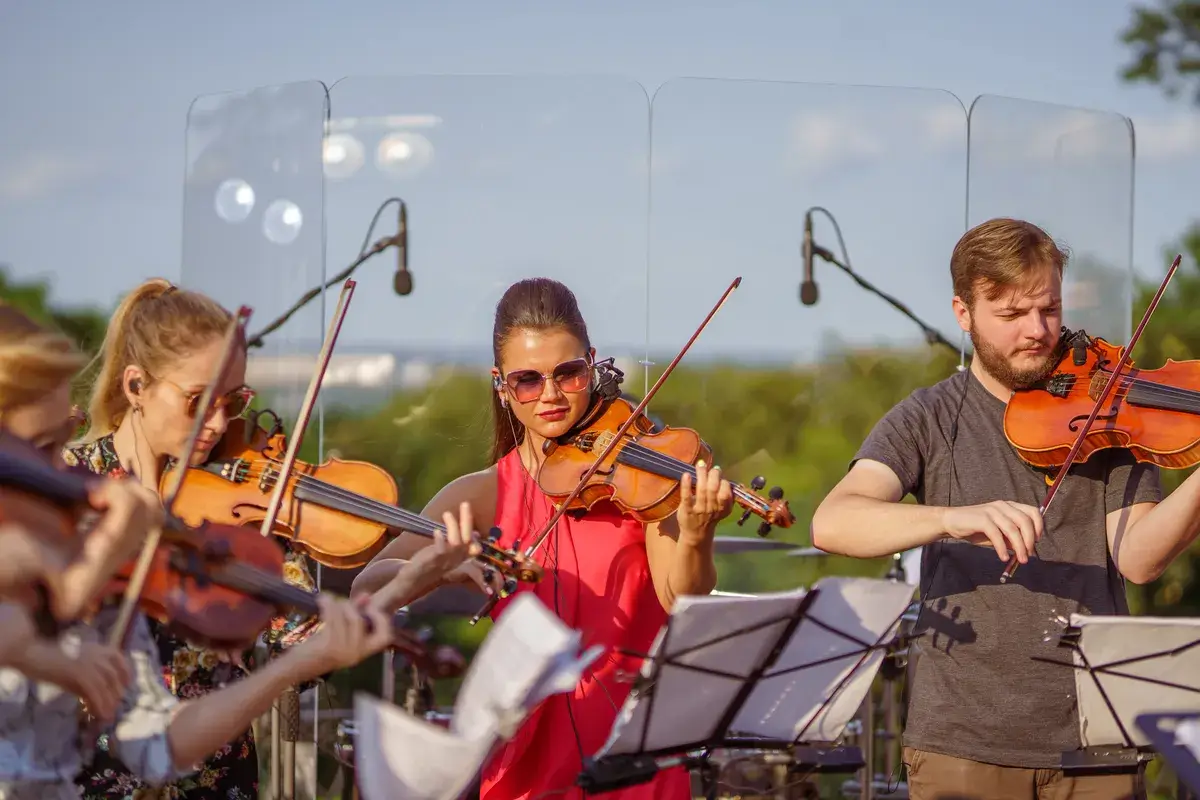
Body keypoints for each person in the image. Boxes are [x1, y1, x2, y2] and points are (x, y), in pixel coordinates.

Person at [0, 299, 478, 799]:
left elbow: (299, 641)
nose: (217, 423)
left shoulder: (227, 524)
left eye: (234, 402)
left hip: (213, 777)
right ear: (136, 386)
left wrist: (407, 582)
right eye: (197, 401)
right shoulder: (72, 493)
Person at [809, 218, 1200, 799]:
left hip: (1095, 743)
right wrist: (951, 518)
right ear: (963, 314)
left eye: (1048, 309)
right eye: (1012, 316)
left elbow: (1139, 560)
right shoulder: (930, 417)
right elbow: (833, 521)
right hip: (962, 745)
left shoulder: (1110, 409)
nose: (1037, 332)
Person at [353, 277, 735, 800]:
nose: (551, 395)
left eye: (569, 374)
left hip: (636, 757)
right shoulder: (483, 493)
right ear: (501, 385)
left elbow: (680, 597)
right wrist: (437, 568)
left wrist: (695, 535)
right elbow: (366, 590)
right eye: (527, 380)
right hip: (527, 768)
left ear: (592, 364)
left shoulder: (640, 479)